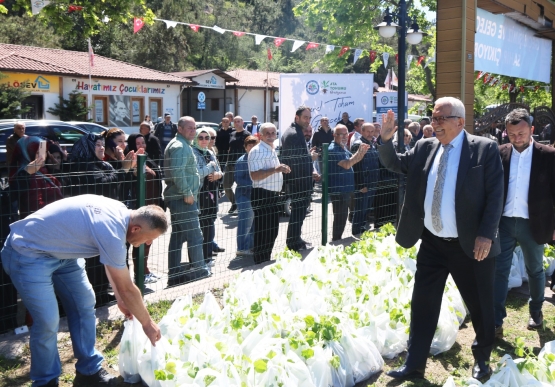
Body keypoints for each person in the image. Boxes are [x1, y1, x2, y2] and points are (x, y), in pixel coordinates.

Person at [379, 97, 503, 381]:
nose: (434, 123)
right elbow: (395, 164)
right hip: (432, 242)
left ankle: (482, 358)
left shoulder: (484, 149)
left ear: (460, 121)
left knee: (481, 306)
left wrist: (486, 234)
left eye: (441, 118)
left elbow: (496, 196)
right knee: (423, 303)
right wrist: (385, 141)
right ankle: (415, 364)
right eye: (432, 118)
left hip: (471, 245)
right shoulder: (424, 147)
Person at [1, 195, 166, 387]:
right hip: (28, 252)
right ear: (136, 228)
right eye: (148, 239)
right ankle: (45, 381)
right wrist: (147, 324)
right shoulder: (112, 230)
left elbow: (111, 264)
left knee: (84, 304)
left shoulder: (122, 215)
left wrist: (120, 299)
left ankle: (88, 372)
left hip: (65, 253)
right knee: (48, 320)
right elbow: (127, 287)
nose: (147, 244)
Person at [493, 108, 555, 337]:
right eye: (511, 134)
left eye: (521, 133)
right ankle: (496, 319)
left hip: (534, 223)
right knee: (499, 270)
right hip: (504, 222)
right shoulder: (499, 153)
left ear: (531, 129)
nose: (516, 138)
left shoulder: (548, 155)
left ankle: (536, 311)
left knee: (535, 270)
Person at [68, 133, 138, 307]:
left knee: (102, 260)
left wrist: (127, 169)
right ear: (86, 149)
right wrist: (123, 169)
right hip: (87, 224)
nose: (101, 147)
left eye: (101, 144)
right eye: (96, 145)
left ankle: (102, 292)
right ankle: (96, 296)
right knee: (92, 261)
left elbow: (117, 183)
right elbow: (104, 185)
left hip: (103, 220)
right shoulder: (81, 166)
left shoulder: (103, 164)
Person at [164, 116, 210, 287]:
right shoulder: (180, 146)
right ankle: (200, 271)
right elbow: (177, 172)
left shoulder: (182, 144)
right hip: (182, 198)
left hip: (178, 197)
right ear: (180, 129)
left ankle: (174, 274)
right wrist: (187, 192)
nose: (193, 131)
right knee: (195, 236)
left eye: (194, 127)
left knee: (178, 236)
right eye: (189, 128)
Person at [249, 123, 290, 264]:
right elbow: (254, 176)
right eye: (268, 133)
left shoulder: (270, 149)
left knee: (272, 231)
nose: (271, 135)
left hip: (272, 195)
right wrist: (275, 169)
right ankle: (260, 263)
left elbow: (273, 170)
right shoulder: (257, 151)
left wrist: (281, 170)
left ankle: (265, 261)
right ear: (260, 135)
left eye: (273, 132)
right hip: (262, 194)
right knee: (264, 232)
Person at [125, 133, 164, 284]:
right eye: (138, 143)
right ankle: (135, 276)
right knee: (136, 244)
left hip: (151, 206)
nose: (141, 146)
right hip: (138, 209)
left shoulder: (148, 159)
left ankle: (143, 271)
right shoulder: (131, 163)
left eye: (143, 143)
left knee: (146, 243)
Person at [281, 105, 319, 251]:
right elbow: (295, 161)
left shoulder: (296, 131)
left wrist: (307, 156)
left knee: (300, 213)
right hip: (298, 182)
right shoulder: (294, 134)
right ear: (297, 117)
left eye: (309, 117)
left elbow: (297, 157)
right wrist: (311, 157)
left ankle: (296, 239)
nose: (308, 120)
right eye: (305, 117)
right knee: (298, 213)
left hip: (300, 180)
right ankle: (293, 244)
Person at [327, 124, 368, 241]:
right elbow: (347, 164)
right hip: (339, 190)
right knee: (340, 218)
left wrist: (361, 152)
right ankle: (336, 241)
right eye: (342, 134)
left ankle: (343, 238)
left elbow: (353, 160)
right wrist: (359, 152)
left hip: (348, 189)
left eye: (346, 134)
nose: (345, 136)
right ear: (334, 135)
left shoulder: (343, 147)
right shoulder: (333, 149)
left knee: (349, 215)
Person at [9, 136, 64, 219]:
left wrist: (56, 167)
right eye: (38, 153)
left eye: (45, 152)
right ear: (28, 154)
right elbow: (36, 207)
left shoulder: (41, 172)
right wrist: (61, 204)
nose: (43, 157)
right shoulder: (32, 177)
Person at [192, 128, 223, 266]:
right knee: (201, 228)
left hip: (212, 195)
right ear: (195, 139)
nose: (205, 140)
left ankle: (208, 257)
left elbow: (220, 171)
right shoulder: (193, 152)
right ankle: (199, 260)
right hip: (200, 195)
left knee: (209, 225)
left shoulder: (210, 152)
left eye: (207, 138)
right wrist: (211, 168)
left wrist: (218, 175)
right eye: (201, 137)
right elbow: (197, 174)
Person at [351, 123, 380, 235]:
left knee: (366, 210)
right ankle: (356, 232)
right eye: (368, 131)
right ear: (362, 131)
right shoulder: (358, 144)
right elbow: (356, 166)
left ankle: (361, 230)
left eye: (372, 131)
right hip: (364, 185)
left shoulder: (372, 144)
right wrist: (361, 185)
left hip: (372, 183)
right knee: (360, 210)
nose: (370, 134)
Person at [234, 136, 258, 256]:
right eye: (250, 145)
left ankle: (250, 246)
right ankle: (242, 248)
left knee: (253, 223)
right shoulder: (242, 161)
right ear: (245, 147)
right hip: (244, 196)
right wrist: (255, 184)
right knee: (245, 223)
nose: (252, 147)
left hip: (254, 196)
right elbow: (238, 179)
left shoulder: (258, 159)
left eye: (254, 145)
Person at [224, 116, 251, 214]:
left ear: (242, 122)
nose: (236, 123)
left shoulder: (247, 134)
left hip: (242, 164)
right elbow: (229, 149)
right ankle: (234, 203)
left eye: (238, 121)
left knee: (241, 186)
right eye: (235, 122)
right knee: (226, 186)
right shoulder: (232, 134)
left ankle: (242, 206)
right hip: (230, 163)